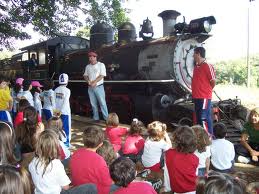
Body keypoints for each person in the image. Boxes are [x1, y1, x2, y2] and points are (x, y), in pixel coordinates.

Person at [70, 126, 112, 194]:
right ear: (101, 144)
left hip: (77, 189)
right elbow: (107, 182)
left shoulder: (76, 153)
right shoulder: (99, 160)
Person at [164, 126, 198, 194]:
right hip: (193, 190)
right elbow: (195, 174)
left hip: (178, 190)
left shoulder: (168, 154)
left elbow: (166, 173)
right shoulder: (195, 158)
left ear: (175, 140)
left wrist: (167, 188)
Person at [192, 47, 216, 136]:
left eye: (194, 54)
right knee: (198, 119)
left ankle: (208, 139)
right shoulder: (196, 67)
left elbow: (213, 81)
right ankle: (202, 138)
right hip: (196, 97)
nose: (193, 55)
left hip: (204, 97)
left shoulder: (207, 66)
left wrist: (206, 91)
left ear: (198, 54)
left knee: (203, 118)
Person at [83, 51, 108, 121]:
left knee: (102, 103)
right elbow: (85, 75)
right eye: (89, 57)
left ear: (95, 57)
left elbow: (102, 75)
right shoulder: (87, 66)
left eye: (91, 57)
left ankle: (106, 119)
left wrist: (94, 82)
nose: (90, 58)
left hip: (99, 87)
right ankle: (96, 118)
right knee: (93, 104)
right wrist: (88, 81)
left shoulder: (101, 65)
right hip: (90, 87)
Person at [55, 73, 71, 147]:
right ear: (67, 81)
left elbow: (54, 101)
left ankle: (60, 140)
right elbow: (65, 102)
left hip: (57, 111)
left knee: (59, 127)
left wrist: (56, 112)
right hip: (65, 112)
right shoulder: (67, 90)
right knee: (66, 127)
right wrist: (61, 111)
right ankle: (66, 142)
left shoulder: (56, 89)